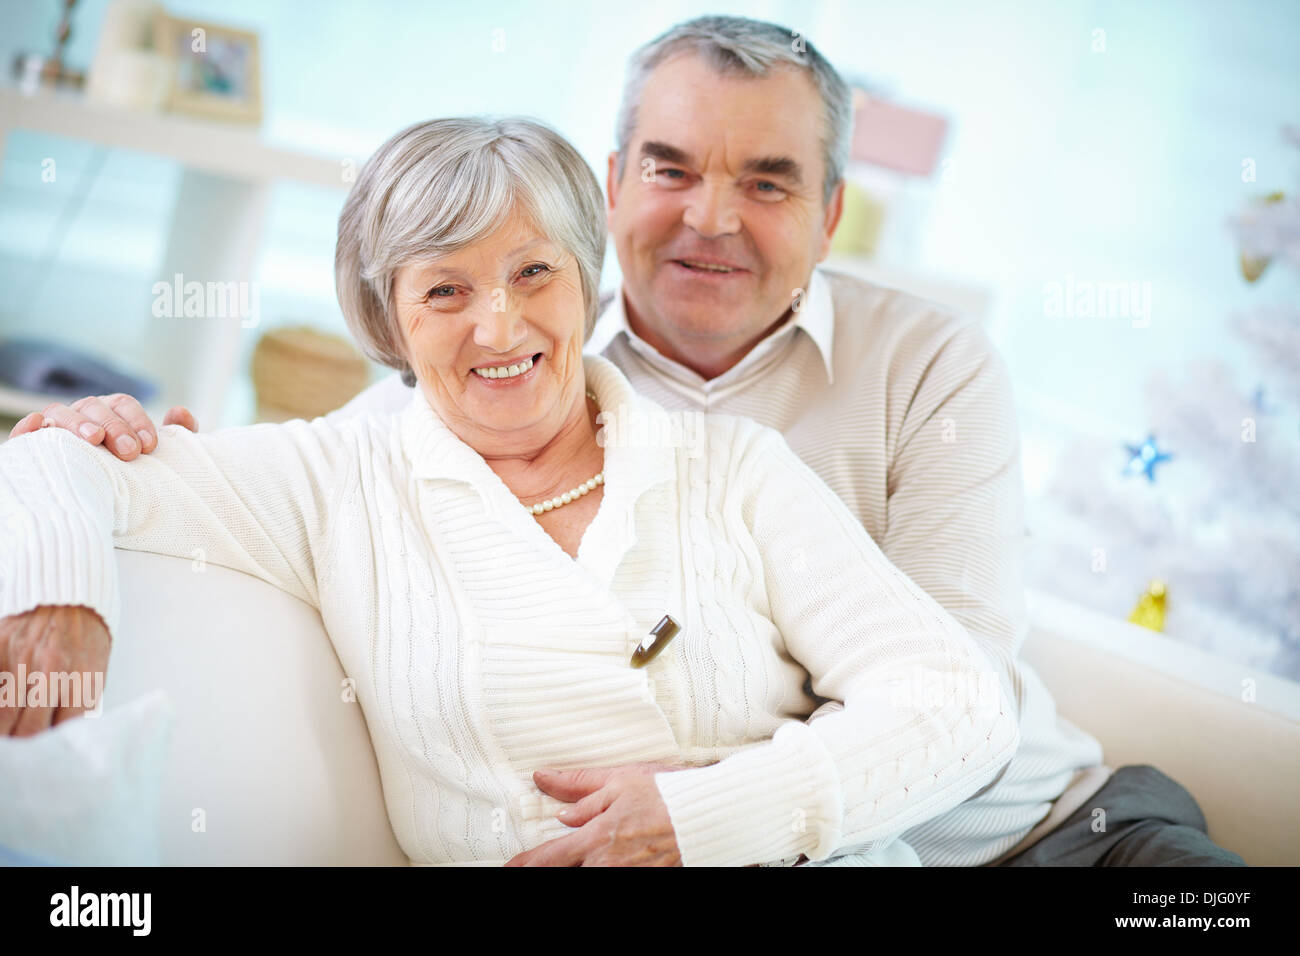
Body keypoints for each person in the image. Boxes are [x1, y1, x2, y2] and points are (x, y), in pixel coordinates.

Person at [9, 15, 1246, 867]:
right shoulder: (418, 421)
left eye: (766, 181)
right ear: (614, 187)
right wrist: (91, 487)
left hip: (1050, 824)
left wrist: (702, 804)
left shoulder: (906, 375)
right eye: (672, 167)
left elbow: (943, 697)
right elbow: (328, 473)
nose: (710, 218)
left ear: (827, 214)